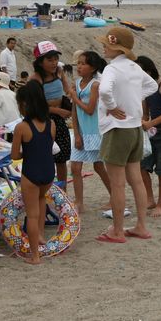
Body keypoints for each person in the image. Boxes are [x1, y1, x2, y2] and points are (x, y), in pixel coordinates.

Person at [95, 26, 157, 243]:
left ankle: (118, 230)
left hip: (117, 129)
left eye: (107, 44)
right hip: (134, 129)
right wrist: (132, 99)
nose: (103, 47)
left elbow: (104, 91)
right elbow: (153, 86)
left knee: (118, 183)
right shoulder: (134, 67)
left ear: (116, 48)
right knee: (136, 180)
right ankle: (141, 225)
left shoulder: (112, 69)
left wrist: (112, 106)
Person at [11, 82, 55, 265]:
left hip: (31, 172)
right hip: (48, 172)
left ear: (24, 104)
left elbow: (15, 155)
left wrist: (25, 152)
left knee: (32, 214)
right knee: (41, 201)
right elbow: (46, 147)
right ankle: (41, 237)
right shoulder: (51, 124)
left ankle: (35, 256)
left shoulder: (21, 127)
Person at [68, 49, 112, 211]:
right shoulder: (77, 84)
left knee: (98, 167)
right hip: (81, 132)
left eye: (83, 63)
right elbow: (74, 111)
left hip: (94, 133)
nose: (79, 66)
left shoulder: (95, 85)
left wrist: (74, 97)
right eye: (78, 63)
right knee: (75, 168)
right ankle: (79, 202)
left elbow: (90, 109)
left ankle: (114, 196)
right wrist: (77, 133)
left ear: (92, 68)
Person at [28, 40, 73, 190]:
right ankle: (46, 191)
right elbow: (36, 105)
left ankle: (63, 192)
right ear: (40, 62)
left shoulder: (59, 73)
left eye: (55, 59)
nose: (54, 63)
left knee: (62, 159)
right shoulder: (35, 79)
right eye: (49, 59)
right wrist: (59, 111)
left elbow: (68, 91)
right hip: (44, 120)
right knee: (46, 159)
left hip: (60, 120)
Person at [137, 55, 161, 218]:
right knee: (142, 167)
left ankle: (160, 205)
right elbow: (146, 112)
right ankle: (149, 198)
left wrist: (151, 123)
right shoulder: (145, 88)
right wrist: (144, 122)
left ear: (149, 70)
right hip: (151, 133)